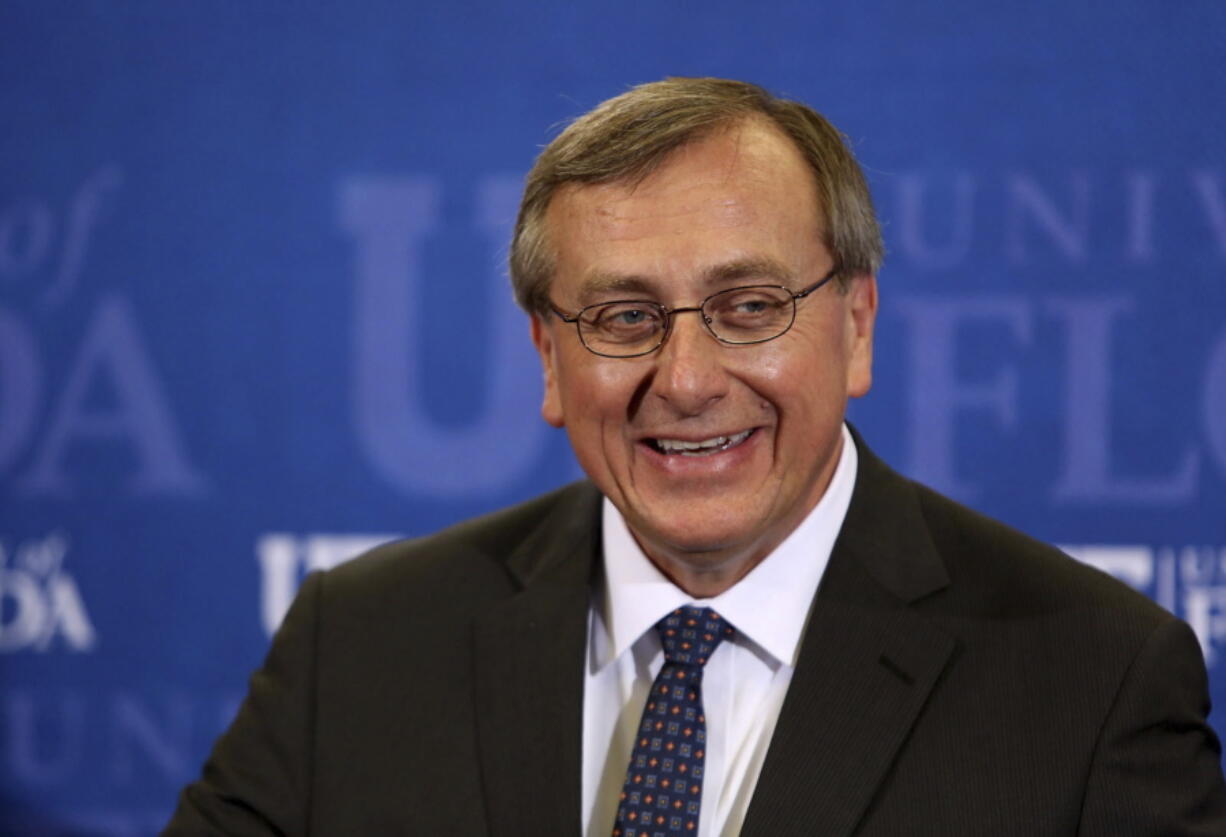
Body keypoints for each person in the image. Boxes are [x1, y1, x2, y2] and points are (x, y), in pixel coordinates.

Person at [165, 78, 1226, 835]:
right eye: (622, 316)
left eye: (748, 306)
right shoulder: (359, 645)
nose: (683, 378)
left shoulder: (1090, 680)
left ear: (855, 324)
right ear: (545, 356)